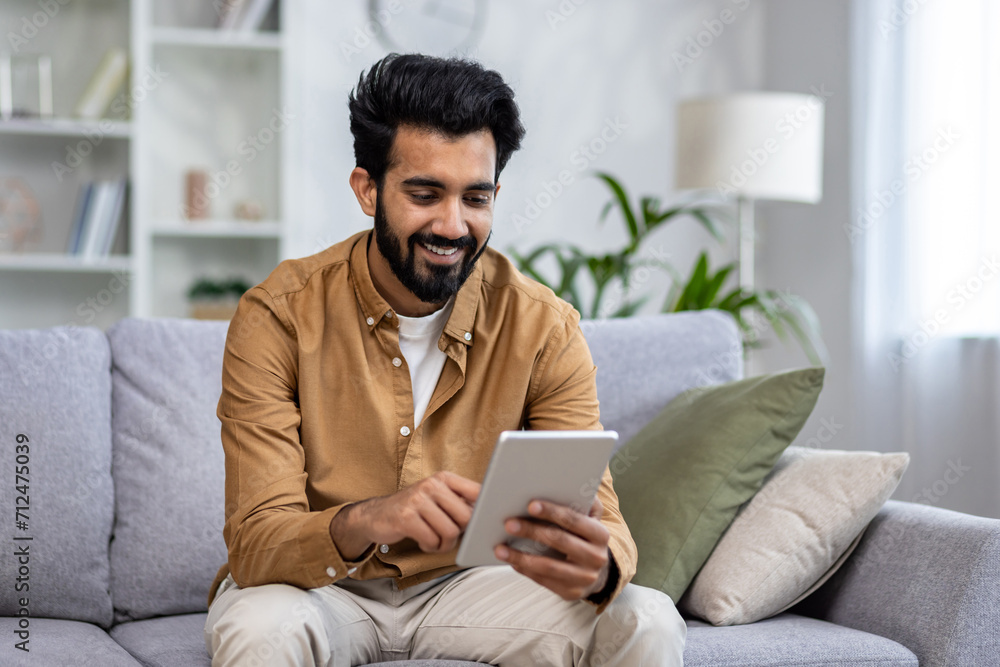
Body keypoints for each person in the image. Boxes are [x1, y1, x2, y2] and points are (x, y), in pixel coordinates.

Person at [203, 53, 685, 666]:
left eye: (475, 198)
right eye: (425, 194)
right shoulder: (278, 315)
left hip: (473, 588)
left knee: (645, 618)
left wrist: (599, 566)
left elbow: (607, 526)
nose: (453, 225)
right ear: (367, 189)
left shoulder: (543, 327)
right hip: (323, 589)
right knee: (260, 628)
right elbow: (256, 543)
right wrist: (374, 518)